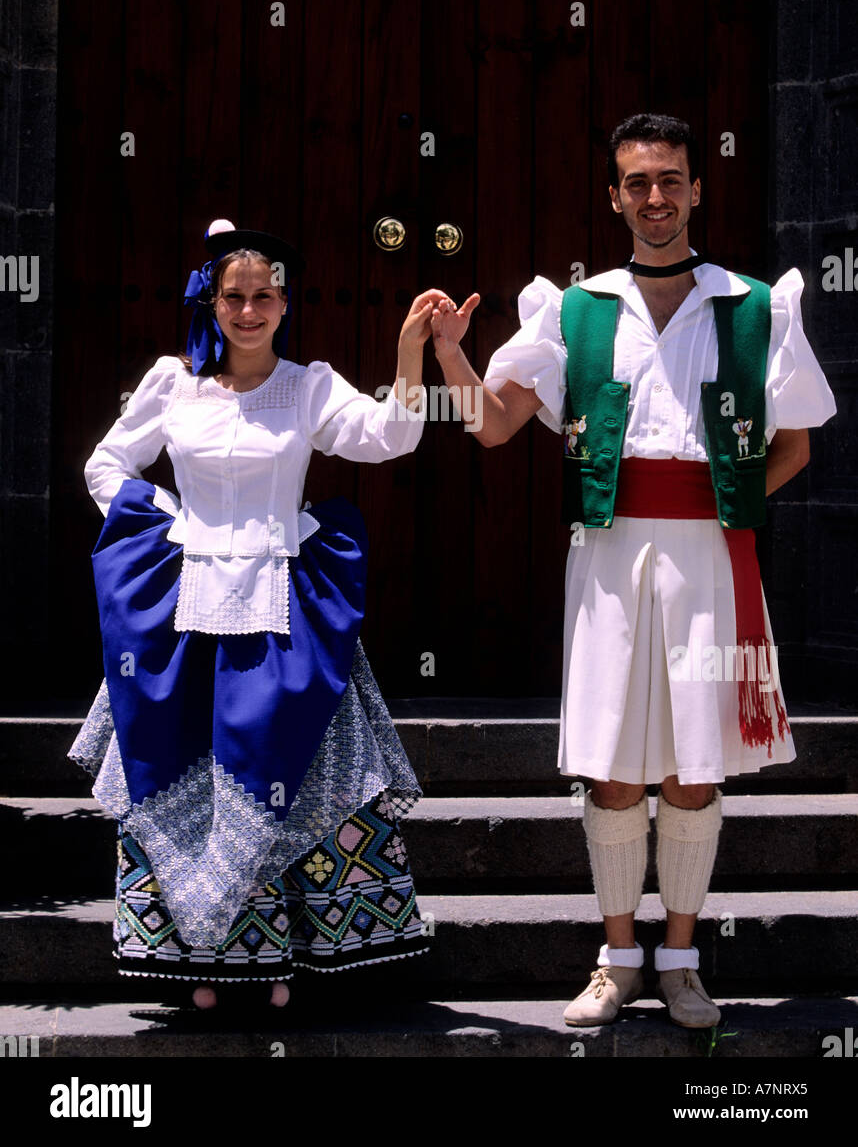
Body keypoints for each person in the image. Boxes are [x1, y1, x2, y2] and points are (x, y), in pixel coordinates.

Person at [429, 113, 836, 1030]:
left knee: (695, 768)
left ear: (698, 189)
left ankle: (682, 964)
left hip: (710, 561)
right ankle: (617, 961)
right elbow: (493, 425)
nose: (657, 198)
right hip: (607, 561)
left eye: (672, 181)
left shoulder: (755, 302)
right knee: (614, 768)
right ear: (615, 197)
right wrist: (454, 355)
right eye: (638, 183)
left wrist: (726, 507)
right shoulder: (574, 309)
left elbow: (797, 446)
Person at [70, 218, 446, 1009]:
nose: (248, 310)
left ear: (285, 303)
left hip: (281, 607)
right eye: (233, 296)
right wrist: (164, 531)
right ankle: (201, 963)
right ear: (209, 302)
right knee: (185, 778)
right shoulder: (172, 383)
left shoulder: (309, 385)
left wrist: (410, 352)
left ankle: (282, 959)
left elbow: (391, 436)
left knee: (296, 776)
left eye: (263, 296)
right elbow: (105, 462)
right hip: (186, 610)